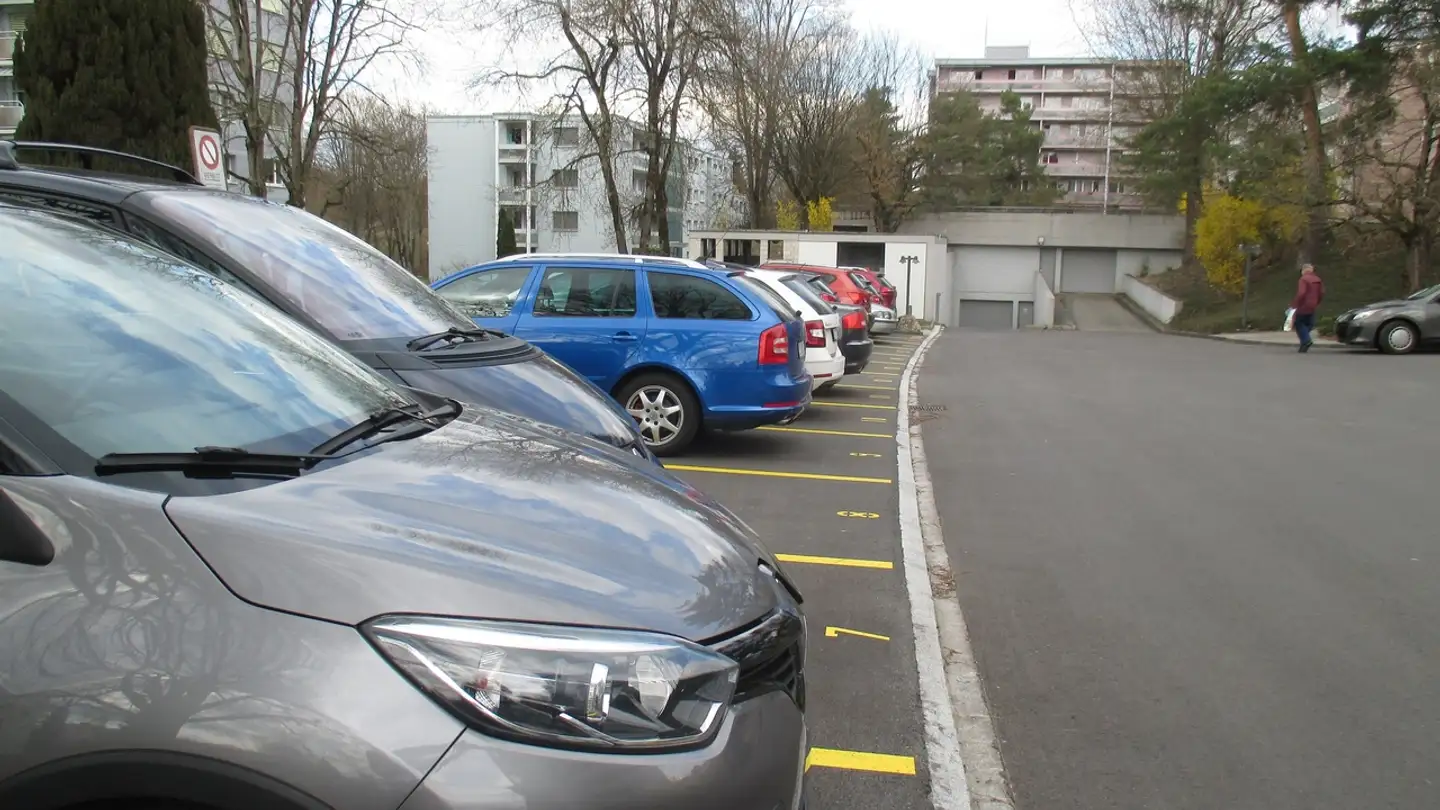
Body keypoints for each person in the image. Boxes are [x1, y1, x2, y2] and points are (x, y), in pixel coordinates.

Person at [1290, 263, 1325, 352]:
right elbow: (1321, 293)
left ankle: (1306, 340)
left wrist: (1295, 304)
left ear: (1304, 270)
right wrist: (1317, 302)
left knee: (1299, 323)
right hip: (1313, 305)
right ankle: (1304, 344)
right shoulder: (1318, 279)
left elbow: (1301, 293)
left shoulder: (1303, 279)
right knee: (1308, 324)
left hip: (1303, 305)